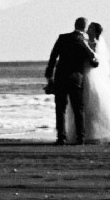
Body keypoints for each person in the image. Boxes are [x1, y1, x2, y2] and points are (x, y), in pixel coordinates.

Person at [42, 16, 98, 144]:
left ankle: (61, 138)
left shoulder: (63, 38)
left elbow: (53, 58)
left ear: (75, 25)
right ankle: (80, 138)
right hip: (76, 79)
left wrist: (49, 76)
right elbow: (94, 63)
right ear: (84, 27)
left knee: (60, 109)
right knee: (78, 109)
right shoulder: (83, 41)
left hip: (61, 77)